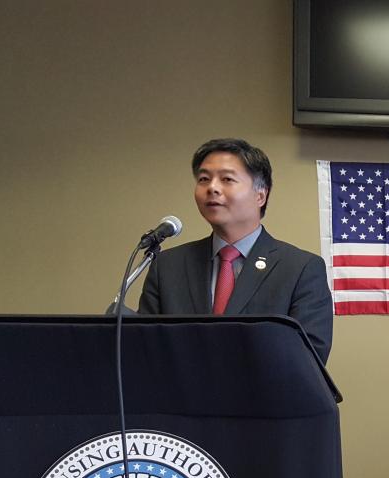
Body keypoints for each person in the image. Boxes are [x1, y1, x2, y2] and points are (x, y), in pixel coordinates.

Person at [138, 138, 333, 364]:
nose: (212, 187)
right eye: (203, 179)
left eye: (227, 179)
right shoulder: (168, 266)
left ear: (261, 195)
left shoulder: (301, 268)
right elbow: (146, 348)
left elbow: (308, 357)